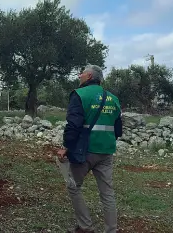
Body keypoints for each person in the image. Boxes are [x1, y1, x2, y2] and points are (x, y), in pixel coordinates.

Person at [57, 65, 123, 233]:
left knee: (74, 186)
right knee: (107, 193)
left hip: (83, 152)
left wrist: (66, 147)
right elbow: (118, 130)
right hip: (106, 151)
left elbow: (73, 125)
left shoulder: (79, 95)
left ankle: (85, 227)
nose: (79, 76)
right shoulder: (113, 98)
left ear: (88, 76)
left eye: (81, 73)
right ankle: (111, 230)